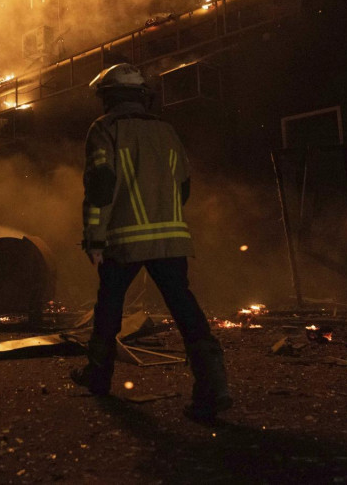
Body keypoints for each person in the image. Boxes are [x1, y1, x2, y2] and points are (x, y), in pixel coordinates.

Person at [71, 62, 231, 421]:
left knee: (109, 308)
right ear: (142, 96)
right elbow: (184, 185)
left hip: (125, 240)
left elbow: (100, 185)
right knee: (185, 309)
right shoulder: (167, 130)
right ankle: (213, 386)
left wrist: (94, 239)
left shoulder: (104, 128)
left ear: (108, 97)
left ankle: (98, 376)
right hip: (171, 239)